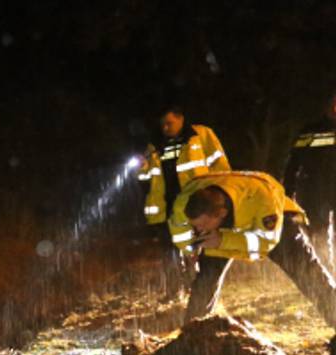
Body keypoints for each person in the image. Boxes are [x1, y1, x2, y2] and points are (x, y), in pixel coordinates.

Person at [167, 170, 336, 330]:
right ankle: (193, 338)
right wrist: (191, 248)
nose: (198, 229)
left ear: (221, 214)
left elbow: (266, 243)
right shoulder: (184, 204)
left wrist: (223, 240)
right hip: (221, 232)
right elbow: (180, 234)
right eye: (195, 225)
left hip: (273, 227)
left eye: (202, 225)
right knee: (205, 283)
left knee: (309, 274)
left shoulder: (263, 198)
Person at [136, 106, 232, 294]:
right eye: (162, 124)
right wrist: (142, 168)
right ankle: (175, 291)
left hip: (198, 204)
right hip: (166, 207)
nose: (165, 128)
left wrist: (221, 196)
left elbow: (221, 168)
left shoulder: (201, 135)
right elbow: (145, 182)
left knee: (202, 247)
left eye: (169, 123)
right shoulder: (154, 146)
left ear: (181, 119)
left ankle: (200, 289)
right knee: (169, 251)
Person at [283, 91, 336, 268]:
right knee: (316, 231)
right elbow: (293, 163)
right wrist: (287, 193)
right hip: (314, 190)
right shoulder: (310, 131)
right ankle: (323, 270)